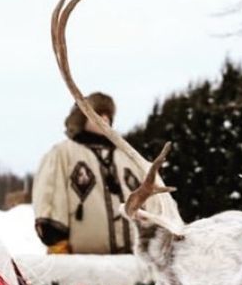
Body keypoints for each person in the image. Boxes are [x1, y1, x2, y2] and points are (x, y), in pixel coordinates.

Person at [32, 92, 174, 254]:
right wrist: (56, 240)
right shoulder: (63, 153)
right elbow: (50, 195)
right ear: (82, 117)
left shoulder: (129, 158)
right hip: (82, 262)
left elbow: (151, 203)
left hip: (132, 262)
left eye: (108, 115)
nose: (105, 119)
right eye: (98, 114)